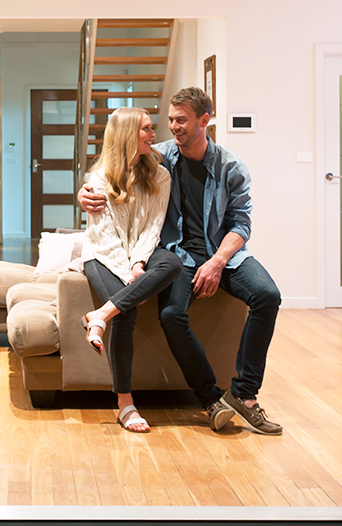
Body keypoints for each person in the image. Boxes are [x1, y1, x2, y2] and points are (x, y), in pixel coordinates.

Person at [78, 87, 283, 435]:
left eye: (181, 120)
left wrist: (217, 262)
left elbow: (241, 225)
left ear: (205, 121)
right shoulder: (160, 157)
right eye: (170, 119)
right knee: (172, 314)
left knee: (268, 295)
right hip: (179, 254)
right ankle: (209, 399)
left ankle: (245, 396)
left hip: (225, 255)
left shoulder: (231, 167)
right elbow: (117, 161)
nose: (173, 127)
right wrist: (84, 191)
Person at [78, 107, 183, 433]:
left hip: (140, 253)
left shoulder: (160, 175)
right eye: (147, 129)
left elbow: (152, 227)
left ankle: (99, 316)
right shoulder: (98, 179)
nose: (155, 135)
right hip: (101, 256)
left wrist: (139, 264)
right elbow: (106, 240)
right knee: (126, 313)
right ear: (127, 135)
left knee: (173, 263)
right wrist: (129, 278)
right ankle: (126, 405)